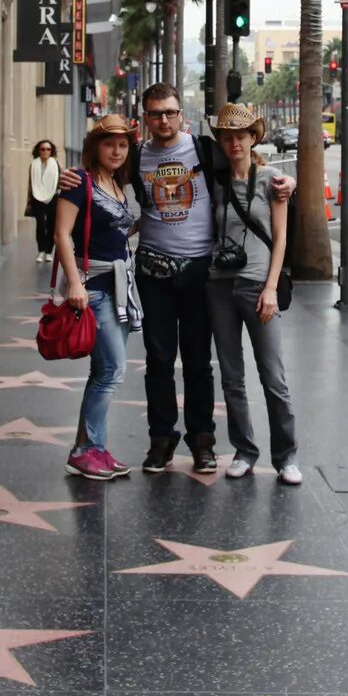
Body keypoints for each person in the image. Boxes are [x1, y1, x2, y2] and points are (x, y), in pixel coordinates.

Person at [67, 82, 292, 474]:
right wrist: (64, 181)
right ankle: (161, 441)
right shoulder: (136, 157)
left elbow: (249, 166)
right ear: (146, 118)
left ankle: (202, 441)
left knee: (198, 361)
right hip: (152, 270)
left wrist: (288, 183)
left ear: (180, 116)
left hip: (200, 271)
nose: (164, 120)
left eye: (170, 112)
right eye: (155, 114)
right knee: (158, 359)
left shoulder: (204, 150)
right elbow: (100, 179)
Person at [205, 104, 300, 485]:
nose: (233, 143)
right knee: (231, 376)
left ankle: (286, 456)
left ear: (253, 138)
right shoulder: (215, 180)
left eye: (240, 136)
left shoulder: (273, 180)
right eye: (226, 137)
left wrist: (272, 288)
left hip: (259, 285)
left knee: (273, 376)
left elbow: (280, 239)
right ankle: (244, 450)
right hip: (218, 285)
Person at [53, 115, 141, 482]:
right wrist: (74, 284)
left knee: (102, 371)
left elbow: (118, 229)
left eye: (123, 145)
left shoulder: (118, 185)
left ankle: (92, 449)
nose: (117, 151)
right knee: (112, 371)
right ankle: (87, 450)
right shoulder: (79, 183)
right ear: (95, 147)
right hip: (95, 286)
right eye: (109, 144)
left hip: (120, 286)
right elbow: (62, 234)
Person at [27, 139, 62, 261]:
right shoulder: (34, 164)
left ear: (51, 151)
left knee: (51, 225)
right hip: (37, 198)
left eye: (48, 149)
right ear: (38, 150)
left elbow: (61, 180)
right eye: (42, 149)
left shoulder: (56, 164)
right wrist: (30, 201)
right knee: (40, 224)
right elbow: (30, 184)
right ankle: (41, 251)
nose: (45, 151)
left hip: (52, 198)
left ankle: (48, 252)